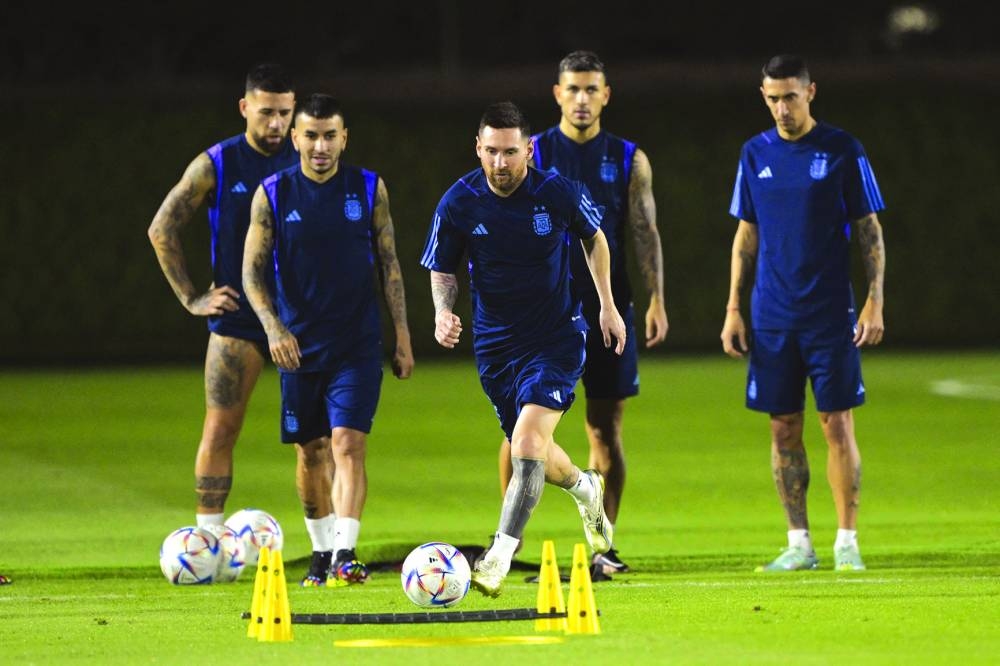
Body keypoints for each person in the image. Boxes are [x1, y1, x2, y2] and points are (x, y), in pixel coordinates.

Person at [420, 101, 627, 597]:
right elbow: (442, 267)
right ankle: (584, 486)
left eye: (510, 152)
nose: (499, 163)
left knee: (528, 443)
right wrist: (443, 312)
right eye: (490, 151)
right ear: (477, 147)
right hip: (495, 349)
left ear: (528, 150)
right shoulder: (458, 202)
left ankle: (499, 554)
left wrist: (607, 305)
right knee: (528, 447)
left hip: (557, 337)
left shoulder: (554, 191)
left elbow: (595, 239)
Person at [496, 50, 668, 575]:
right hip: (543, 317)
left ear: (606, 95)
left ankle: (603, 546)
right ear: (557, 94)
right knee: (516, 431)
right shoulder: (534, 152)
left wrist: (656, 297)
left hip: (606, 313)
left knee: (603, 429)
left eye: (592, 89)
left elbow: (642, 231)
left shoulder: (628, 159)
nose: (582, 99)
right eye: (573, 89)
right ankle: (508, 541)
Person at [721, 54, 886, 572]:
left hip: (830, 312)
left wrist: (876, 297)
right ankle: (799, 543)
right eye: (772, 98)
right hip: (771, 314)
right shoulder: (755, 153)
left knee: (837, 424)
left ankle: (846, 543)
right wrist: (733, 307)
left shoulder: (842, 149)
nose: (781, 108)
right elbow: (746, 233)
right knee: (782, 428)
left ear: (811, 93)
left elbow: (869, 230)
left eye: (790, 96)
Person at [242, 93, 414, 586]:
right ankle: (319, 550)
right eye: (311, 135)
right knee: (310, 450)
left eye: (329, 135)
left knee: (347, 443)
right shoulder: (272, 194)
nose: (320, 145)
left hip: (357, 344)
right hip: (298, 346)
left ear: (344, 138)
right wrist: (274, 328)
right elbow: (252, 274)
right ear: (295, 138)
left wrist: (401, 334)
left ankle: (344, 551)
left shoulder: (368, 188)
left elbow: (390, 263)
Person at [148, 64, 298, 532]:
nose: (276, 123)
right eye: (267, 112)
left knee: (317, 440)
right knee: (221, 428)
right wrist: (192, 297)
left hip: (300, 318)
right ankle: (207, 542)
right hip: (239, 320)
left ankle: (331, 551)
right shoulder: (217, 163)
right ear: (244, 108)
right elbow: (162, 228)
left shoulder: (307, 157)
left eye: (285, 113)